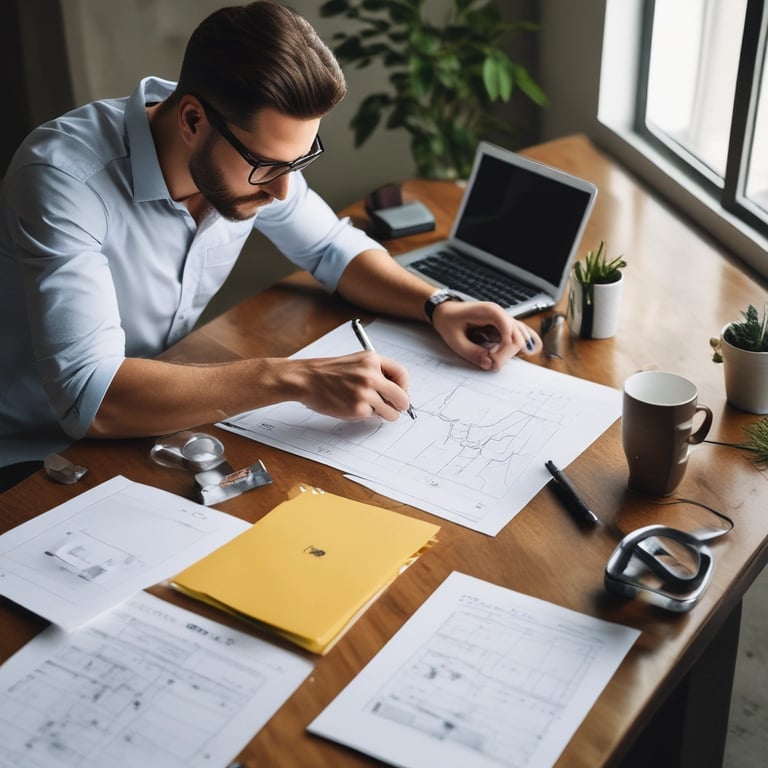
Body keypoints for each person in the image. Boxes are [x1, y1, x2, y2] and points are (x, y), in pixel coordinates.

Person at [0, 0, 540, 487]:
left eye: (298, 162)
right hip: (31, 455)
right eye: (268, 166)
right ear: (192, 119)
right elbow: (88, 398)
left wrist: (439, 304)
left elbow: (330, 247)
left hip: (156, 426)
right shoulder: (64, 178)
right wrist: (293, 377)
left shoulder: (249, 152)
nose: (283, 189)